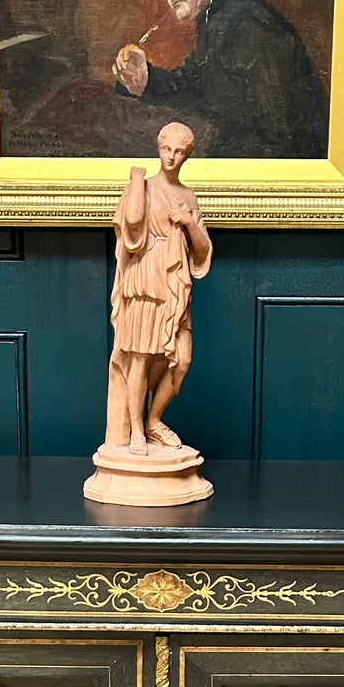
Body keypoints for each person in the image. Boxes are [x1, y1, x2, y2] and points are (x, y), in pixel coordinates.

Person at [112, 0, 327, 158]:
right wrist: (144, 79)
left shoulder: (248, 24)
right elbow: (193, 83)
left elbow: (280, 135)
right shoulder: (217, 15)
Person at [105, 122, 211, 454]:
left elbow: (203, 250)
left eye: (179, 152)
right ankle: (136, 430)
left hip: (175, 286)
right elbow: (133, 228)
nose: (171, 157)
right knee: (139, 359)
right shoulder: (144, 187)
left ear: (187, 156)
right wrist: (136, 180)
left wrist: (189, 222)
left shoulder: (188, 196)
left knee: (181, 359)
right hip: (145, 281)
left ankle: (153, 421)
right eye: (167, 149)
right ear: (158, 147)